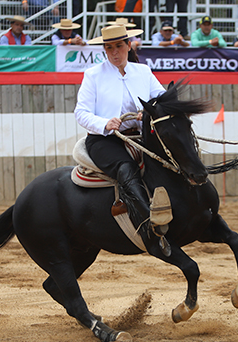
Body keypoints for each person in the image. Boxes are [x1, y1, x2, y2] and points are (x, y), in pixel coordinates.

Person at [74, 25, 172, 255]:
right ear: (105, 50)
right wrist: (104, 123)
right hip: (105, 140)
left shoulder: (144, 72)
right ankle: (151, 224)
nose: (114, 52)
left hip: (140, 137)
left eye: (119, 46)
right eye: (109, 48)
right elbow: (81, 112)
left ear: (129, 45)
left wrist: (149, 112)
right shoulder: (93, 75)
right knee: (126, 167)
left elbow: (162, 99)